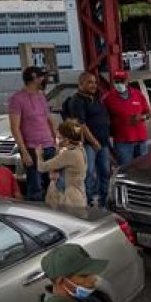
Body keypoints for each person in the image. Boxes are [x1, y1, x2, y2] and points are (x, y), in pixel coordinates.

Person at [8, 66, 57, 201]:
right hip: (32, 148)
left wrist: (55, 141)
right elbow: (15, 127)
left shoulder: (41, 96)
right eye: (42, 77)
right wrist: (24, 152)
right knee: (35, 187)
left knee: (52, 185)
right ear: (34, 79)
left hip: (49, 146)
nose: (44, 79)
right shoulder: (17, 99)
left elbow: (49, 119)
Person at [65, 72, 112, 208]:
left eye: (95, 83)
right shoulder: (77, 100)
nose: (94, 85)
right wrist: (94, 141)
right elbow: (81, 124)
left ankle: (104, 202)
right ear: (81, 84)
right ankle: (88, 203)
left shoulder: (95, 98)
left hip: (103, 143)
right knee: (89, 174)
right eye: (90, 82)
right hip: (89, 145)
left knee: (105, 172)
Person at [36, 119, 88, 209]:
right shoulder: (80, 150)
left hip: (69, 199)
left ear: (66, 139)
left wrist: (39, 155)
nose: (57, 140)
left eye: (59, 137)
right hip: (78, 195)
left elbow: (42, 167)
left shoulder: (69, 154)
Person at [103, 70, 151, 166]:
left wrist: (142, 117)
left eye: (122, 81)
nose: (119, 83)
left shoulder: (137, 94)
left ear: (127, 81)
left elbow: (149, 113)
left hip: (141, 139)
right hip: (123, 142)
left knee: (143, 168)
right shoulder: (108, 98)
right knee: (126, 169)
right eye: (116, 81)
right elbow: (104, 119)